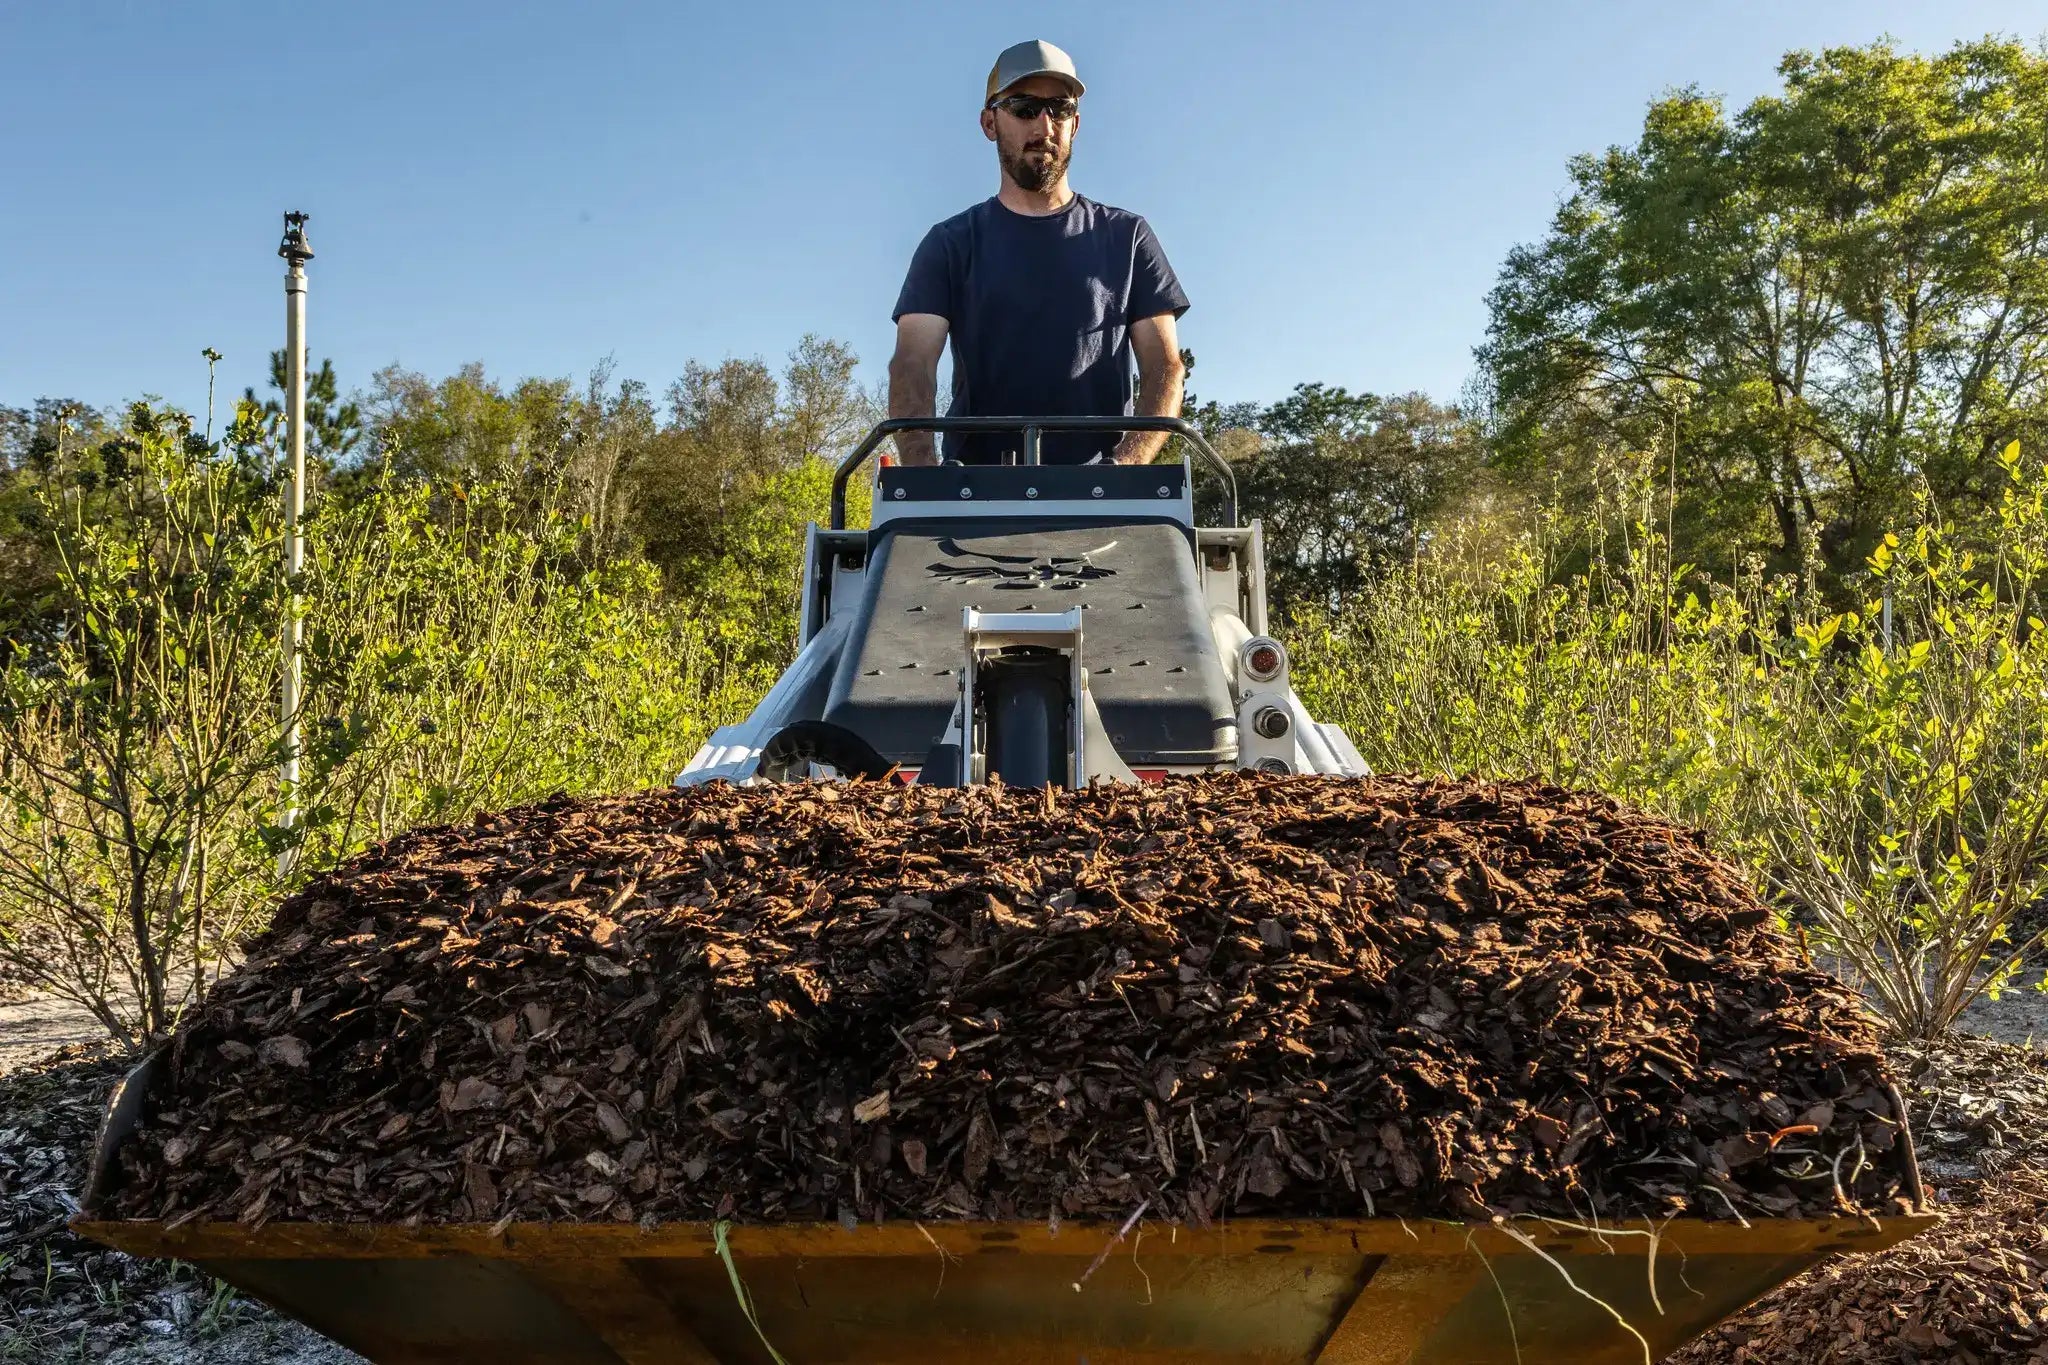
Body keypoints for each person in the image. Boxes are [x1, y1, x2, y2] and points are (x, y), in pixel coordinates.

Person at [888, 39, 1189, 467]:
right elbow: (912, 363)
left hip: (1103, 491)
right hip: (970, 491)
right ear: (989, 123)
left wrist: (1125, 467)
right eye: (1025, 108)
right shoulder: (949, 244)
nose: (1045, 127)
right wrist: (923, 476)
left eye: (1060, 109)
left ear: (1075, 124)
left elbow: (1164, 366)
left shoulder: (1128, 238)